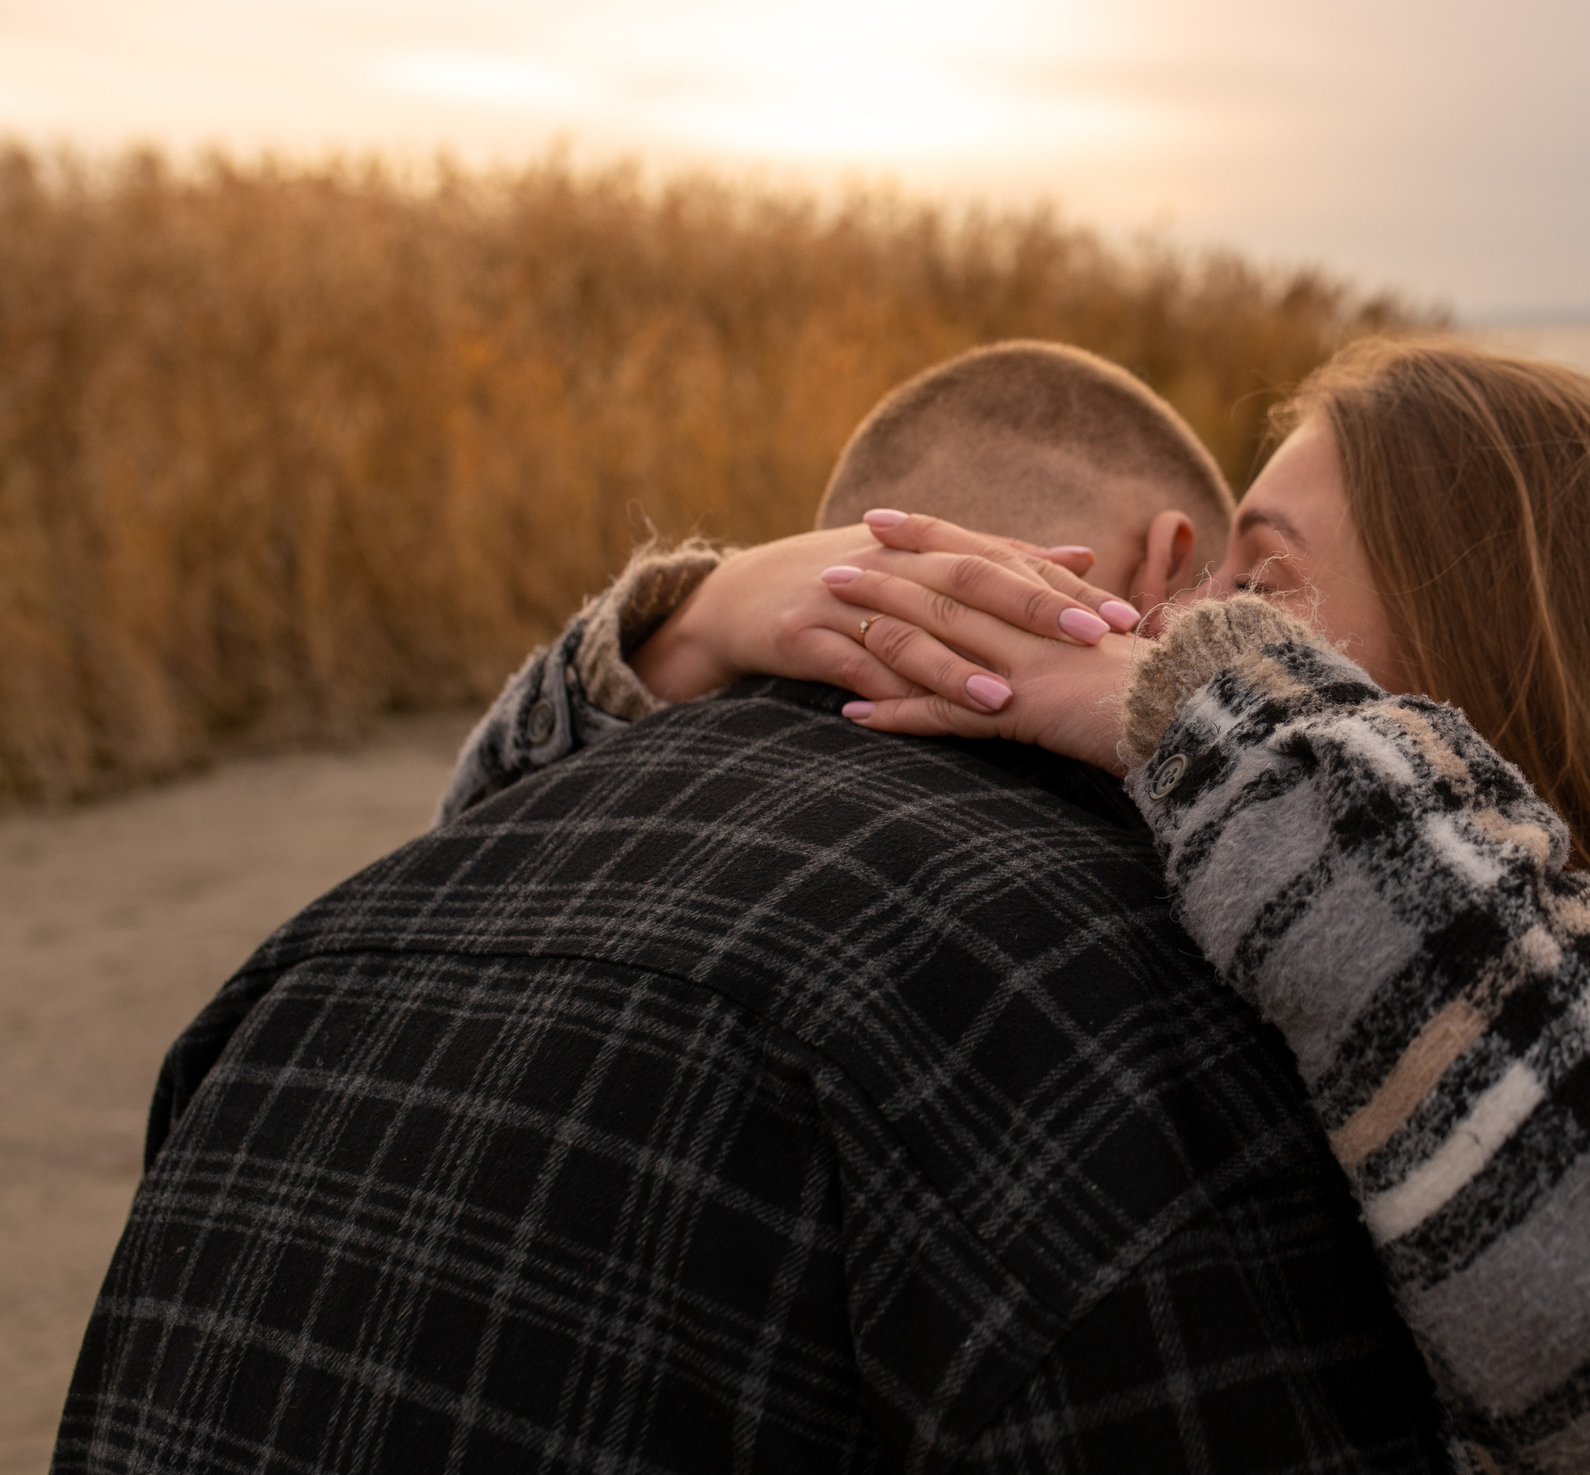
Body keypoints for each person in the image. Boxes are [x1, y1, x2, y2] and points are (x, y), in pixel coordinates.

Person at [411, 339, 1590, 1474]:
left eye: (1259, 587)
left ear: (1515, 654)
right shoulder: (1232, 949)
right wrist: (688, 635)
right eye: (1205, 593)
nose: (1187, 628)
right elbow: (506, 951)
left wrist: (1198, 699)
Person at [54, 343, 1456, 1475]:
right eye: (1237, 595)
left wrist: (682, 621)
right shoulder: (1130, 992)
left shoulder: (316, 949)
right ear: (1163, 570)